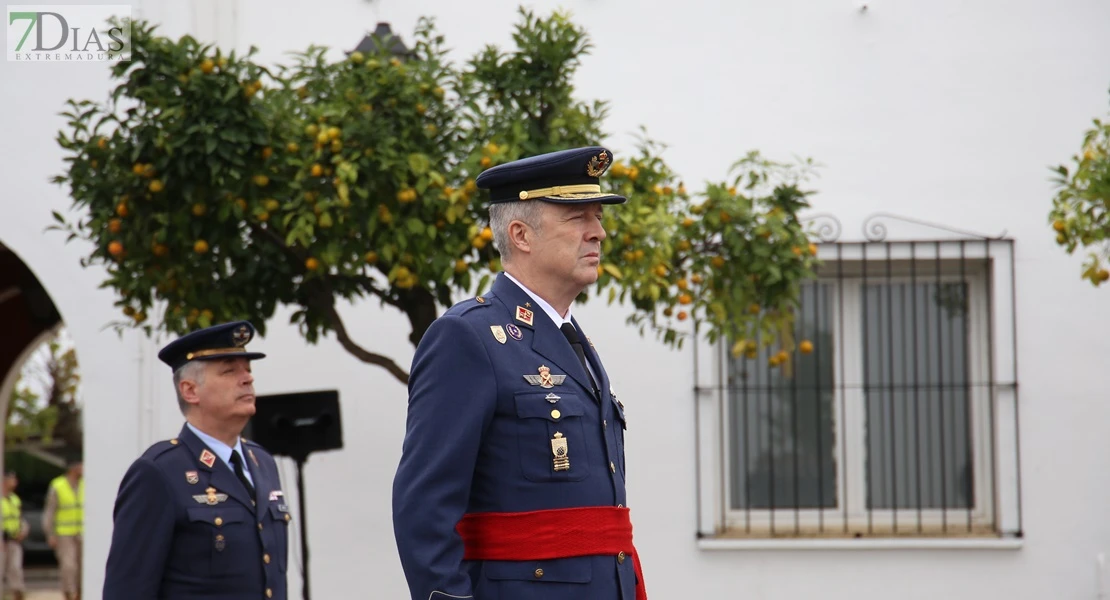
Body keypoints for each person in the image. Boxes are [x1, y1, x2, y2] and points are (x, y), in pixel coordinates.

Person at [392, 146, 647, 600]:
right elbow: (424, 507)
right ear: (521, 234)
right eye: (578, 218)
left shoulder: (572, 340)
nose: (599, 233)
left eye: (598, 218)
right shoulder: (467, 338)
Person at [103, 320, 291, 600]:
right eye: (229, 371)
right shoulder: (159, 472)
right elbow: (127, 590)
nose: (247, 378)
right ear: (190, 391)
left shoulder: (262, 461)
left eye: (248, 370)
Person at [43, 456, 83, 600]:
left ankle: (79, 594)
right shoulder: (58, 485)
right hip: (64, 534)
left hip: (82, 533)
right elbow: (50, 511)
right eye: (80, 465)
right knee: (69, 566)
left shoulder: (86, 484)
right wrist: (50, 534)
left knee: (82, 568)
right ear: (73, 468)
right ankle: (68, 594)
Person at [2, 470, 30, 600]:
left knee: (16, 570)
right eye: (11, 479)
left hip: (13, 540)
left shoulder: (14, 499)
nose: (15, 482)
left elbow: (19, 518)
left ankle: (18, 594)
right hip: (2, 541)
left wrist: (23, 530)